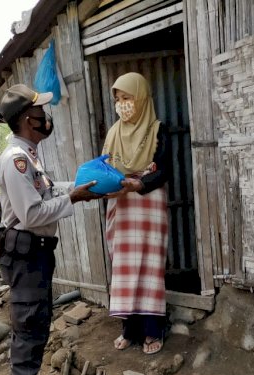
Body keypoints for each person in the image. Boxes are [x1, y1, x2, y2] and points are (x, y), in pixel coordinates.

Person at [0, 84, 101, 375]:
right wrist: (73, 198)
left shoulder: (28, 156)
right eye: (40, 113)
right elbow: (31, 214)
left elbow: (48, 192)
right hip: (25, 254)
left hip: (34, 254)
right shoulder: (17, 161)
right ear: (29, 120)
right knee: (29, 326)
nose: (46, 118)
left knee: (36, 322)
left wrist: (78, 187)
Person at [102, 72, 170, 355]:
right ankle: (129, 329)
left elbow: (164, 170)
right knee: (125, 268)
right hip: (122, 203)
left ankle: (154, 330)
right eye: (118, 99)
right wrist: (105, 183)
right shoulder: (113, 132)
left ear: (141, 98)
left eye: (127, 98)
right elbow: (104, 167)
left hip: (148, 201)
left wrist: (140, 183)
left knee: (149, 267)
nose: (122, 104)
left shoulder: (157, 129)